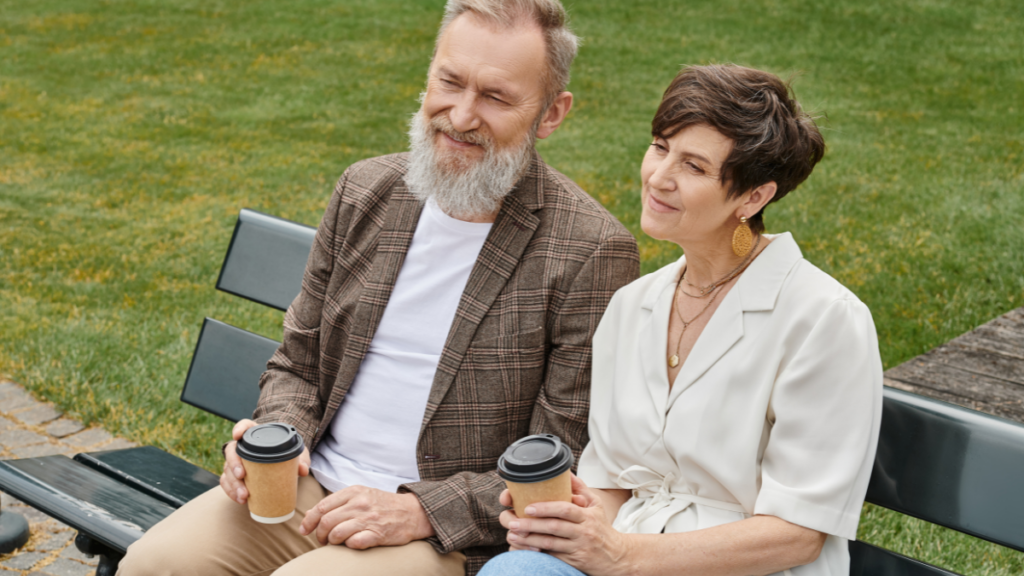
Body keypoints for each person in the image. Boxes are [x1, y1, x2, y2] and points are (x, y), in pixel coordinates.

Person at [116, 1, 639, 575]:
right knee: (152, 564)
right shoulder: (367, 190)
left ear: (550, 113)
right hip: (306, 495)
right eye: (449, 82)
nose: (461, 116)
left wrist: (417, 510)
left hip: (439, 536)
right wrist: (274, 437)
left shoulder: (589, 249)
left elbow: (559, 457)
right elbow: (299, 362)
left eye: (495, 97)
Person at [479, 64, 883, 576]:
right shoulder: (632, 305)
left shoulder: (825, 320)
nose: (659, 177)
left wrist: (624, 556)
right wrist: (570, 527)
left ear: (754, 197)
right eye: (659, 146)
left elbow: (798, 534)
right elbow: (611, 482)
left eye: (693, 167)